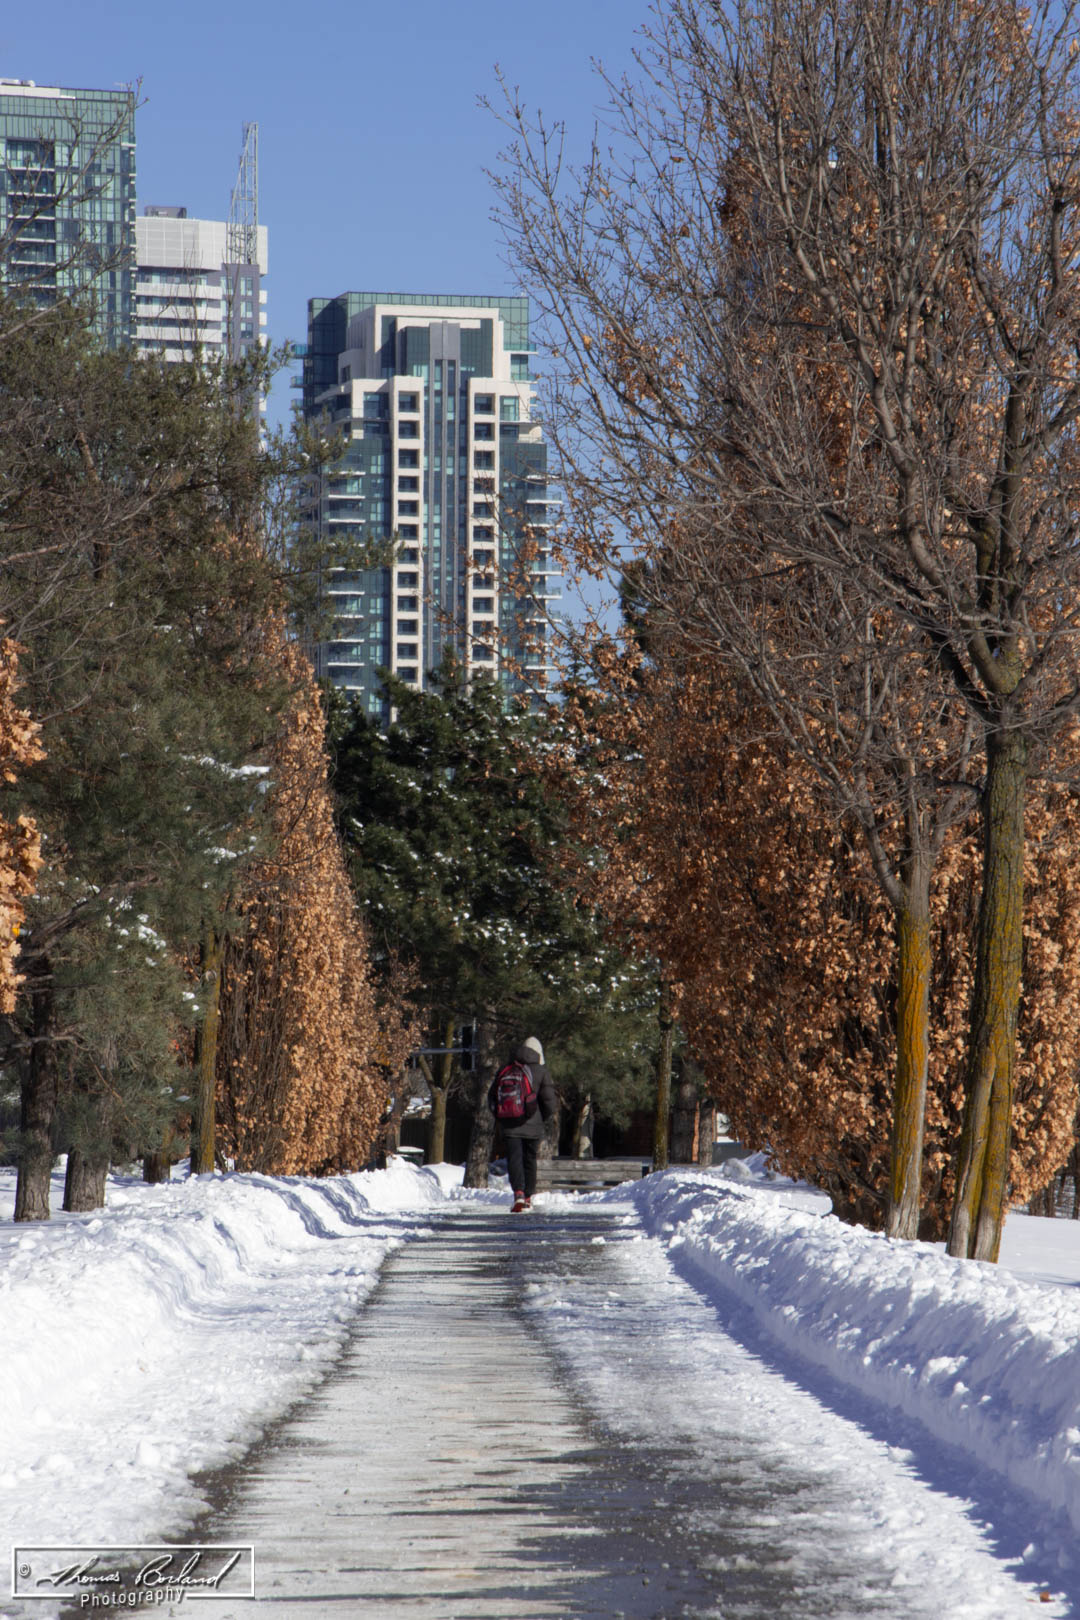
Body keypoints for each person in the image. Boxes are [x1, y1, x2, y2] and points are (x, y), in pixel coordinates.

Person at [488, 1036, 556, 1213]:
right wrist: (541, 1118)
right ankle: (527, 1197)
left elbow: (492, 1098)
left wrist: (502, 1118)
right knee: (529, 1159)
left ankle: (518, 1193)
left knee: (515, 1159)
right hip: (533, 1125)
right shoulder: (541, 1071)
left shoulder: (507, 1068)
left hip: (510, 1125)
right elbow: (549, 1102)